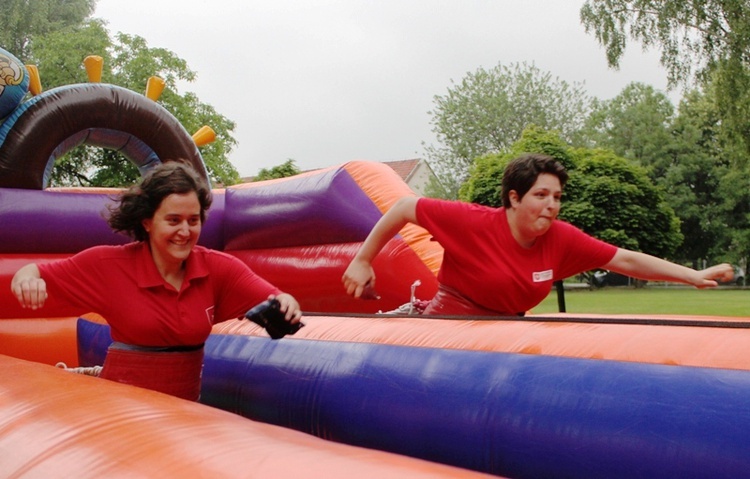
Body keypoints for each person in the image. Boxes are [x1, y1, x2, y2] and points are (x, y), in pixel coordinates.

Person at [11, 161, 302, 400]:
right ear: (147, 222)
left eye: (193, 220)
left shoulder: (217, 268)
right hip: (122, 408)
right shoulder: (108, 264)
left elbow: (275, 298)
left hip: (182, 411)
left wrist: (286, 303)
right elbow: (32, 272)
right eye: (173, 220)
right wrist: (27, 279)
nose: (185, 231)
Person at [342, 153, 733, 316]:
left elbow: (624, 259)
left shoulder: (560, 238)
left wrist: (692, 275)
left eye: (557, 197)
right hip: (450, 325)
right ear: (514, 198)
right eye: (541, 195)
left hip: (510, 329)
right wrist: (362, 260)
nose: (552, 205)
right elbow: (403, 208)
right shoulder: (472, 221)